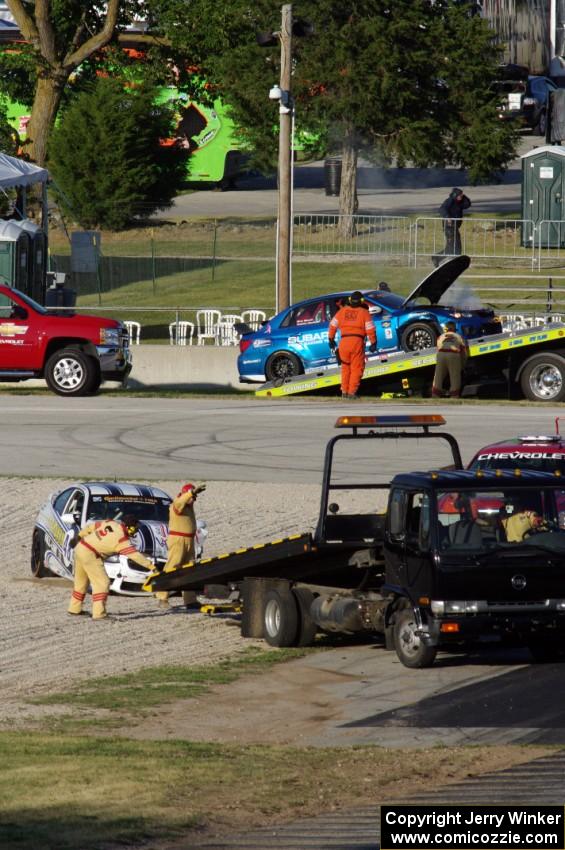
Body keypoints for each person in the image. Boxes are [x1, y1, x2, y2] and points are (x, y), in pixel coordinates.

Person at [68, 514, 153, 620]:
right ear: (129, 527)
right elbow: (136, 556)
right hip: (91, 555)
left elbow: (91, 527)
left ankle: (74, 609)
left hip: (80, 547)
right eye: (135, 527)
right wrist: (152, 567)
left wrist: (79, 536)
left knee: (81, 582)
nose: (136, 530)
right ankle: (99, 614)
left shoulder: (110, 523)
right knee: (103, 583)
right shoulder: (122, 540)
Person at [155, 482, 206, 610]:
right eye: (192, 497)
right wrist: (191, 493)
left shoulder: (188, 506)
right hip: (178, 539)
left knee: (190, 569)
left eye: (194, 498)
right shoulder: (178, 504)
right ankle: (162, 597)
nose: (194, 500)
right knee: (171, 567)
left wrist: (191, 495)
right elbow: (179, 503)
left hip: (188, 540)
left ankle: (190, 600)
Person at [328, 290, 377, 399]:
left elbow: (332, 325)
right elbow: (370, 329)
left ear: (350, 300)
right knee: (357, 368)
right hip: (357, 342)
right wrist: (373, 342)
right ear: (362, 301)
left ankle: (344, 392)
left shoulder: (342, 311)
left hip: (344, 343)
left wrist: (331, 339)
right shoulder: (364, 313)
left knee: (345, 368)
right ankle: (352, 393)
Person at [434, 188, 471, 265]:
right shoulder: (450, 201)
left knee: (457, 247)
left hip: (455, 227)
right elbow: (442, 209)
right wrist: (447, 217)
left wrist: (464, 196)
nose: (461, 196)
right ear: (455, 195)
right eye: (460, 195)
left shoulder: (460, 202)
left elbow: (467, 204)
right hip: (449, 227)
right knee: (451, 247)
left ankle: (454, 261)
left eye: (462, 195)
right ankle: (437, 257)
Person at [432, 320, 468, 398]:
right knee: (455, 377)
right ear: (454, 329)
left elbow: (438, 348)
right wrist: (463, 364)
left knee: (438, 377)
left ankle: (435, 396)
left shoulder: (441, 337)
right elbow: (463, 352)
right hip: (453, 355)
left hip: (441, 354)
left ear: (446, 329)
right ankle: (454, 397)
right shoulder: (458, 337)